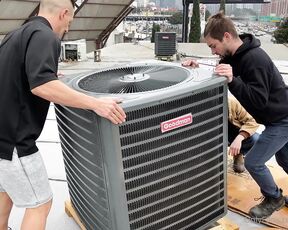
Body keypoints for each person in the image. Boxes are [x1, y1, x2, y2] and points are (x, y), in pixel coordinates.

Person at [0, 0, 126, 229]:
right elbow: (41, 85)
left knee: (4, 192)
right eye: (70, 21)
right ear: (64, 13)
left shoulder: (15, 34)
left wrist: (44, 73)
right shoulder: (45, 36)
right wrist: (95, 104)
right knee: (41, 204)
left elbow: (17, 75)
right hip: (14, 143)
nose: (68, 27)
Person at [183, 12, 288, 219]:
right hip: (275, 118)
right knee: (285, 160)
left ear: (227, 37)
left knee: (254, 162)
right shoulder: (234, 56)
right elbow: (219, 72)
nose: (214, 52)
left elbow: (258, 100)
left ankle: (274, 198)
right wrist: (197, 67)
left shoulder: (254, 59)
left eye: (213, 46)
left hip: (282, 120)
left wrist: (234, 81)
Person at [227, 96, 260, 173]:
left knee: (257, 139)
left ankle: (239, 153)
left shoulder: (232, 102)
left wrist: (239, 138)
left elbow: (253, 121)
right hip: (215, 137)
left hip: (233, 134)